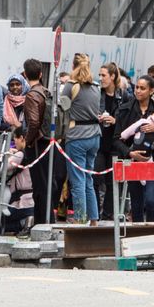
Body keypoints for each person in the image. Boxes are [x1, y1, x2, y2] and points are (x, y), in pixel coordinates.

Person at [115, 75, 154, 221]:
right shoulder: (125, 110)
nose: (138, 91)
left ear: (151, 91)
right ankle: (137, 235)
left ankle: (152, 232)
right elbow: (116, 139)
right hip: (134, 163)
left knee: (152, 201)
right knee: (137, 204)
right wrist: (130, 153)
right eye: (137, 87)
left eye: (142, 88)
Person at [59, 55, 104, 225]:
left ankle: (79, 218)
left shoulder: (70, 85)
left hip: (77, 135)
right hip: (94, 136)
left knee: (77, 179)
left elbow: (63, 107)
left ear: (73, 65)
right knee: (88, 179)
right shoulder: (96, 86)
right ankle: (93, 219)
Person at [22, 58, 59, 225]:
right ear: (41, 74)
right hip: (48, 143)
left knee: (39, 187)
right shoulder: (46, 92)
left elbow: (34, 122)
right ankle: (45, 222)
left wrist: (27, 141)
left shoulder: (32, 95)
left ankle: (43, 223)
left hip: (37, 145)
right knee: (45, 185)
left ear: (24, 74)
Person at [97, 62, 127, 220]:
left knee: (112, 181)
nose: (100, 78)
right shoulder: (97, 93)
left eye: (104, 75)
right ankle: (95, 214)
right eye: (100, 75)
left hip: (115, 143)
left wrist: (115, 121)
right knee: (95, 177)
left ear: (113, 76)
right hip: (99, 141)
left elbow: (129, 120)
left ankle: (109, 215)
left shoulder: (123, 95)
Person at [0, 128, 34, 234]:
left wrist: (7, 156)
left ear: (22, 138)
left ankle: (23, 223)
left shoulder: (20, 155)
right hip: (30, 201)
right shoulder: (32, 152)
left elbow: (0, 170)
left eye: (15, 140)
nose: (15, 144)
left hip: (21, 202)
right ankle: (26, 222)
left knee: (0, 221)